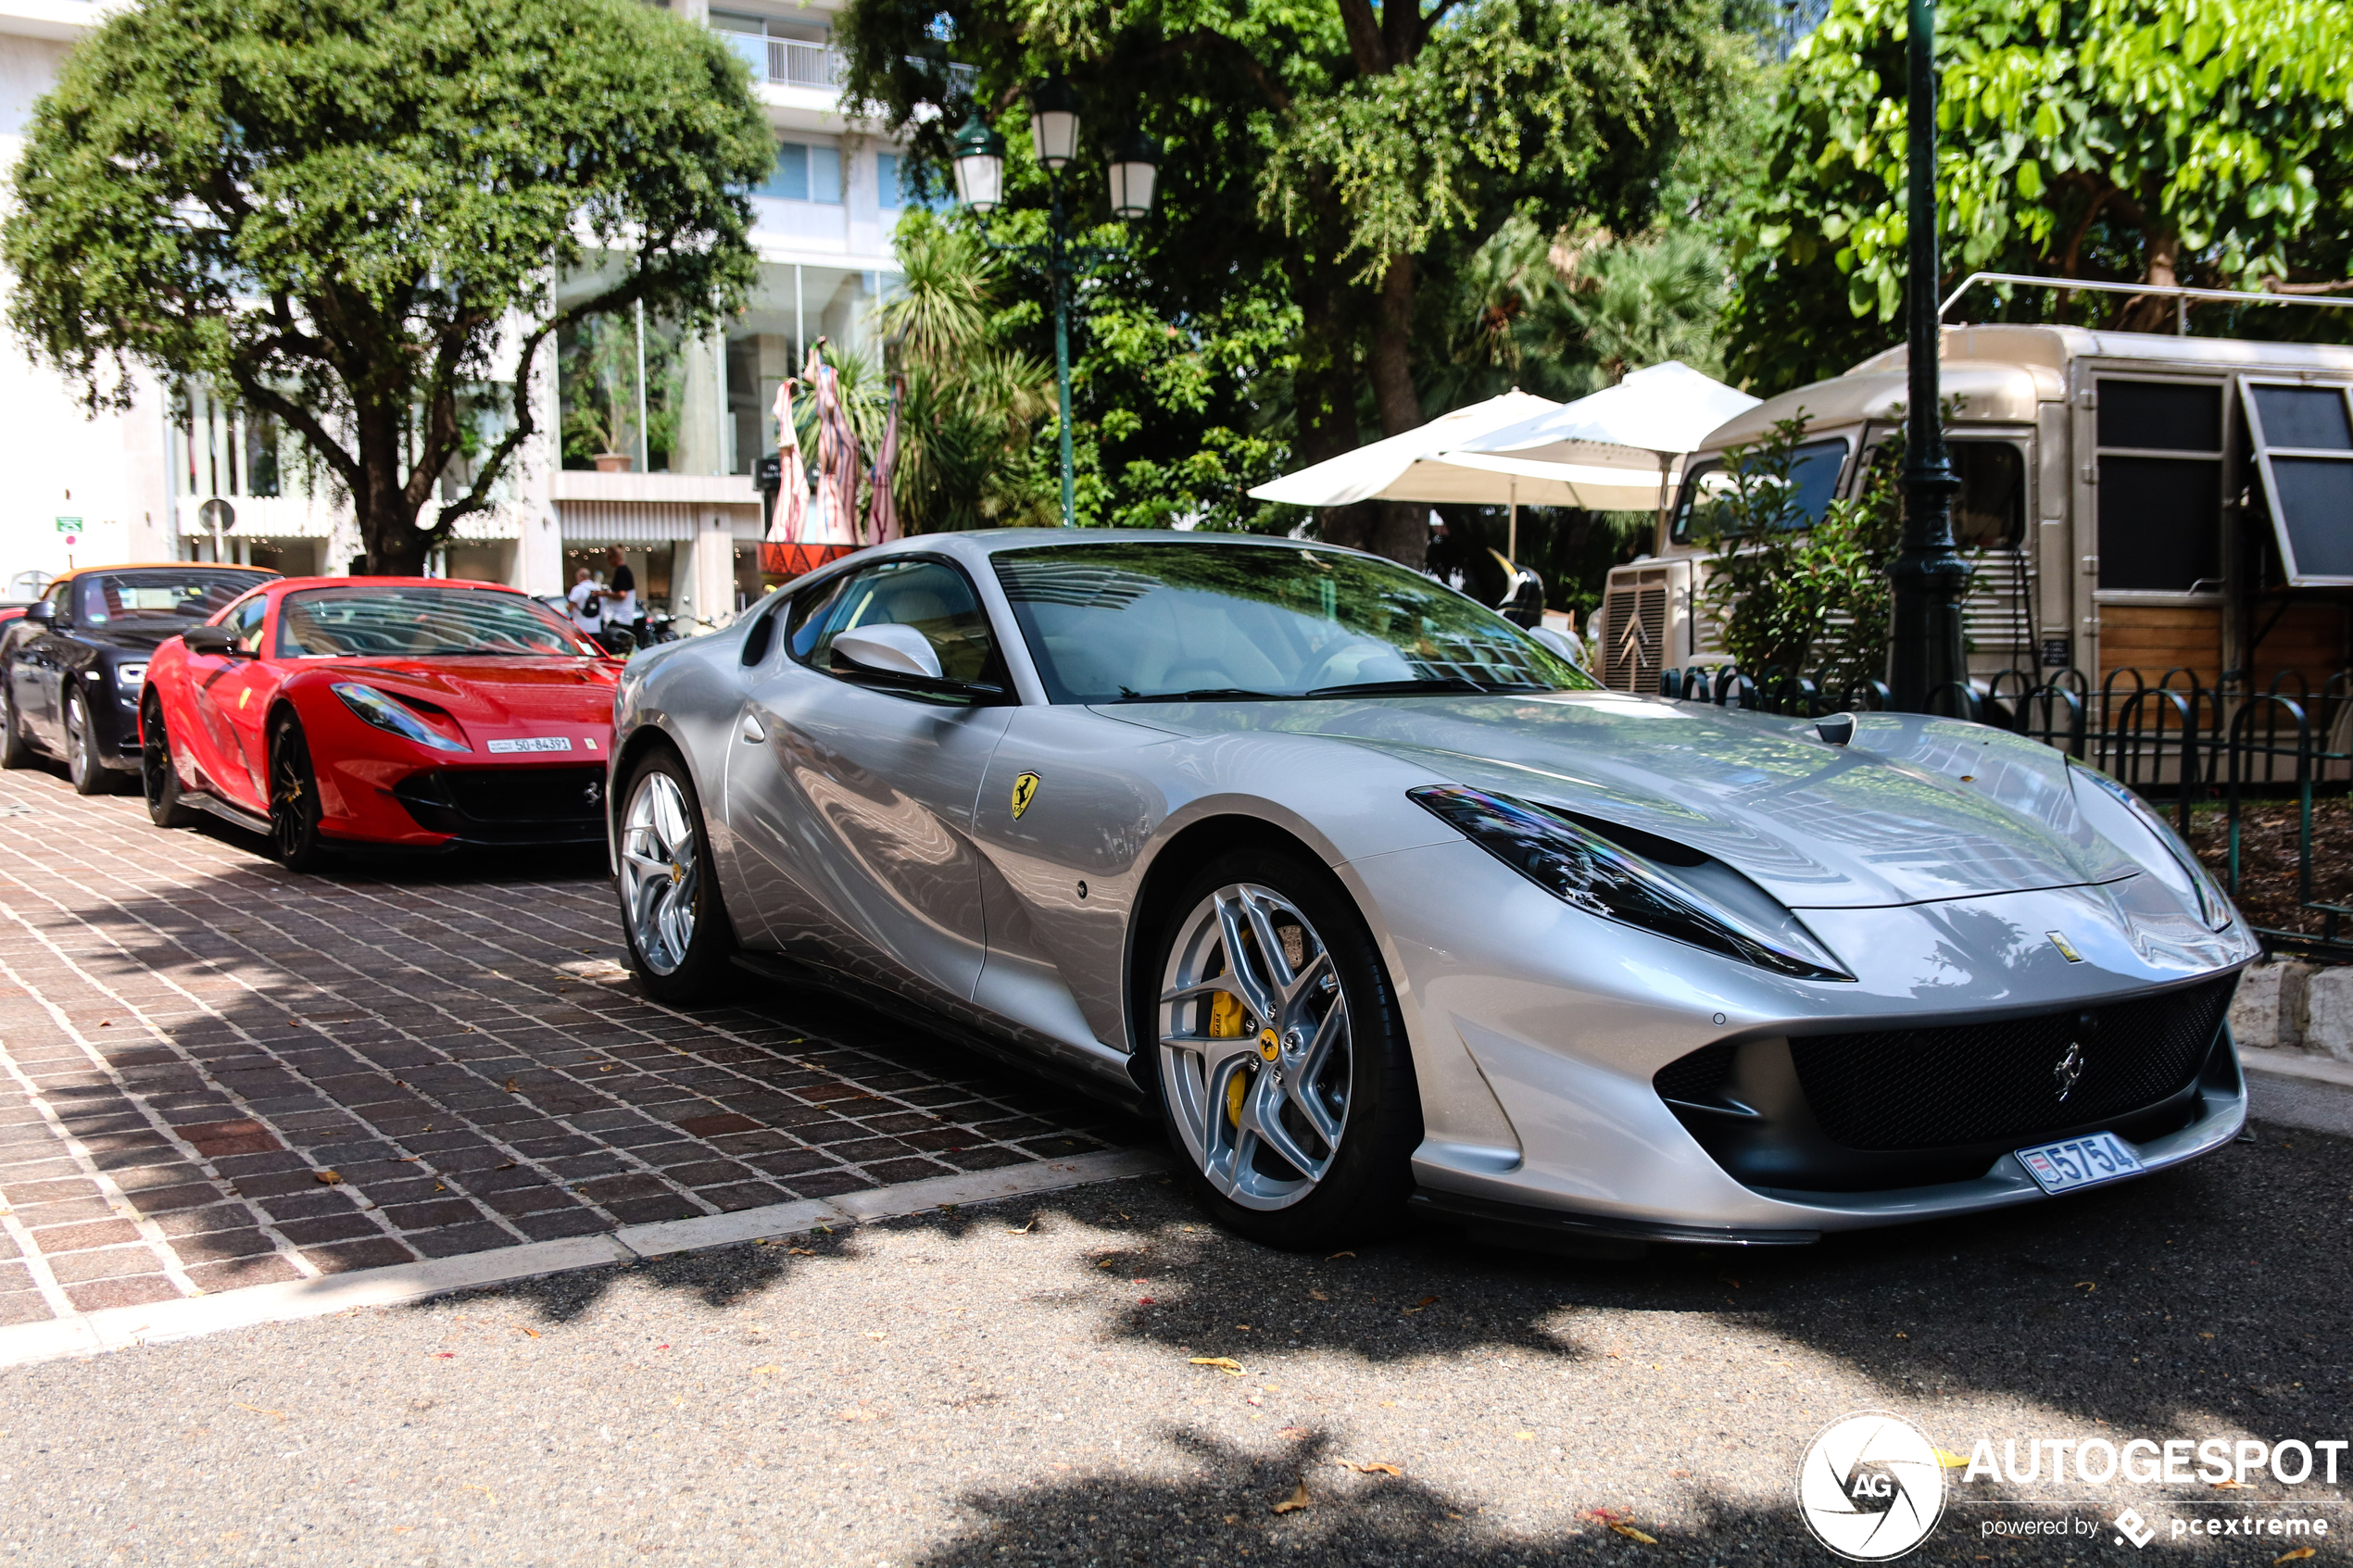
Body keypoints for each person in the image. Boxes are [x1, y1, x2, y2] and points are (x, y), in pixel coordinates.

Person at [603, 546, 638, 633]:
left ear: (616, 557)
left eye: (609, 557)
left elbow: (622, 595)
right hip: (623, 619)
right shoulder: (623, 571)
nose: (607, 561)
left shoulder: (622, 571)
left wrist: (604, 594)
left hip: (619, 619)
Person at [565, 567, 603, 633]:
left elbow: (569, 608)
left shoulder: (578, 589)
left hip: (581, 628)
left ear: (581, 577)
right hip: (596, 628)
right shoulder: (598, 589)